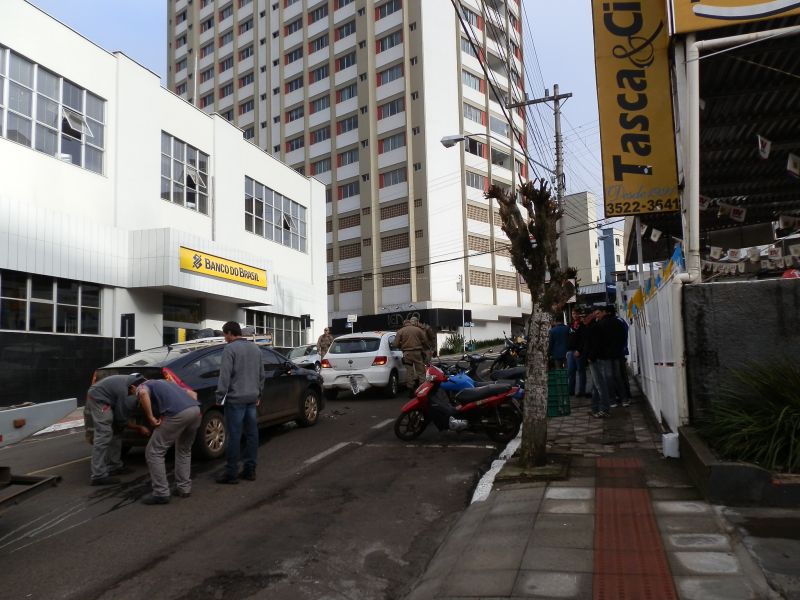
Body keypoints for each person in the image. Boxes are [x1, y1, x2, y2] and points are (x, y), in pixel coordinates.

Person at [136, 378, 201, 505]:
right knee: (184, 450)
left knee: (154, 451)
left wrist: (150, 417)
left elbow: (143, 394)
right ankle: (184, 488)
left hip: (177, 414)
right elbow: (193, 394)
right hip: (196, 410)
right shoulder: (167, 383)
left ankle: (161, 493)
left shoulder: (142, 386)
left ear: (134, 387)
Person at [215, 321, 265, 484]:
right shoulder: (256, 349)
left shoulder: (229, 349)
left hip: (235, 399)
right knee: (252, 435)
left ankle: (231, 473)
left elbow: (225, 375)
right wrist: (258, 394)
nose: (225, 339)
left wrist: (220, 396)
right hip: (252, 398)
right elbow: (261, 375)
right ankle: (250, 470)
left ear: (230, 333)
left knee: (234, 436)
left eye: (225, 335)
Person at [86, 373, 149, 486]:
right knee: (104, 433)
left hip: (109, 396)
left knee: (117, 431)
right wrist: (138, 427)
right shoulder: (125, 393)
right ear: (133, 388)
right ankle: (98, 475)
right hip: (98, 398)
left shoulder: (138, 385)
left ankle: (114, 466)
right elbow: (121, 418)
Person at [395, 317, 428, 396]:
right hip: (417, 353)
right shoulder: (418, 330)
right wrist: (424, 349)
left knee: (409, 372)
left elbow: (395, 344)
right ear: (410, 323)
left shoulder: (400, 331)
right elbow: (425, 341)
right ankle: (422, 388)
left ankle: (411, 389)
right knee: (421, 371)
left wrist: (401, 347)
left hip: (407, 353)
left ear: (404, 324)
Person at [566, 309, 587, 397]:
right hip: (570, 351)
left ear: (579, 314)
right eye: (573, 314)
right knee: (570, 371)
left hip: (578, 352)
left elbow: (583, 339)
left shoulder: (582, 325)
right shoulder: (570, 325)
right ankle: (571, 391)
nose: (574, 315)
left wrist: (579, 350)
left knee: (581, 371)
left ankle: (581, 391)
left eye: (576, 314)